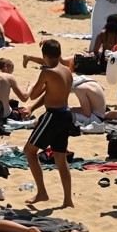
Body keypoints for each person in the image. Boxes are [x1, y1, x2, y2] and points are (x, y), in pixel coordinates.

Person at [23, 39, 74, 207]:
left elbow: (33, 94)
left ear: (44, 56)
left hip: (53, 116)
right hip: (66, 115)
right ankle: (68, 200)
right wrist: (32, 107)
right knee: (60, 158)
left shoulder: (47, 72)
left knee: (29, 151)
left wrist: (30, 87)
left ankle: (42, 192)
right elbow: (51, 94)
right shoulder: (67, 70)